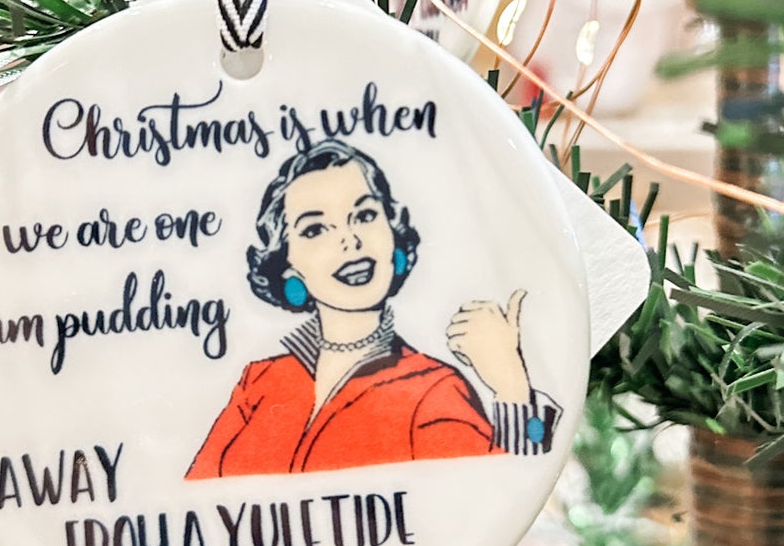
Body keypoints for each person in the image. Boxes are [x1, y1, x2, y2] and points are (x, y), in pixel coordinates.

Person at [186, 139, 557, 478]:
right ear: (287, 264)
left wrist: (511, 386)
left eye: (364, 216)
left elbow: (495, 506)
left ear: (392, 232)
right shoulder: (259, 383)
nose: (350, 239)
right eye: (315, 229)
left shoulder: (434, 390)